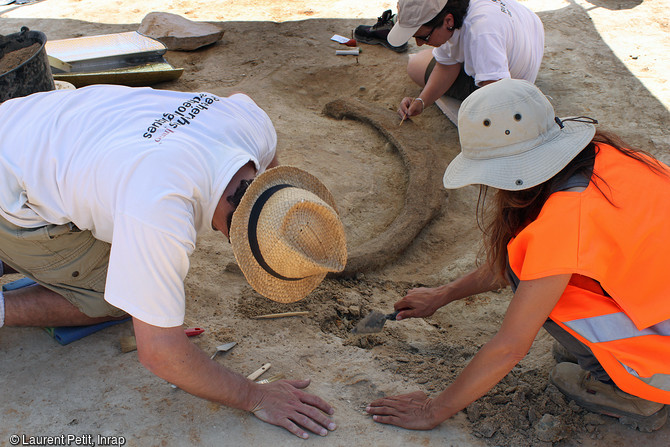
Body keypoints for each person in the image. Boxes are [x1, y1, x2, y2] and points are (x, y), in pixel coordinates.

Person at [0, 84, 348, 439]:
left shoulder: (252, 124)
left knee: (121, 241)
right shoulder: (161, 211)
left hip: (25, 122)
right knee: (118, 298)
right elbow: (159, 353)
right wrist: (254, 395)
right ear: (237, 243)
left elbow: (256, 134)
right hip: (10, 190)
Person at [366, 79, 670, 432]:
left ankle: (635, 387)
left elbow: (512, 345)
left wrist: (434, 409)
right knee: (530, 268)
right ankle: (615, 356)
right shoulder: (610, 158)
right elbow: (531, 259)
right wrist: (442, 295)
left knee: (545, 294)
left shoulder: (564, 218)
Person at [386, 0, 544, 121]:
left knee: (416, 65)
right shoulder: (454, 11)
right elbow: (446, 66)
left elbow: (498, 98)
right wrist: (421, 102)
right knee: (430, 58)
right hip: (528, 34)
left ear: (448, 21)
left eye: (423, 37)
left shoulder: (481, 33)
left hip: (515, 84)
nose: (419, 43)